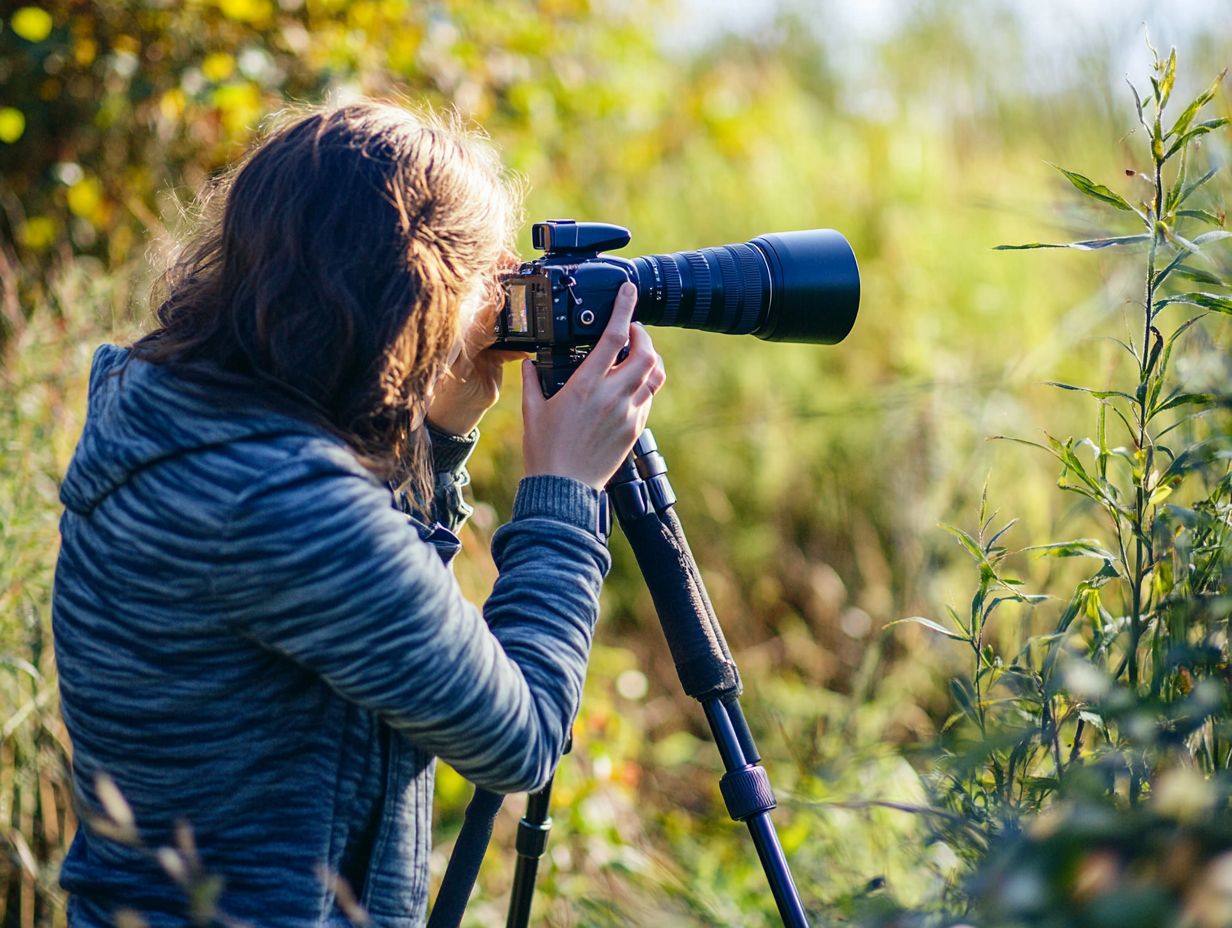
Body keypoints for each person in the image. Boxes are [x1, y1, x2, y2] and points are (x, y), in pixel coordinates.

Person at [51, 101, 665, 927]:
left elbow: (360, 609)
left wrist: (435, 433)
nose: (495, 306)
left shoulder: (167, 420)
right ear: (415, 293)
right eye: (482, 280)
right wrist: (566, 488)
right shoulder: (282, 503)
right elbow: (519, 737)